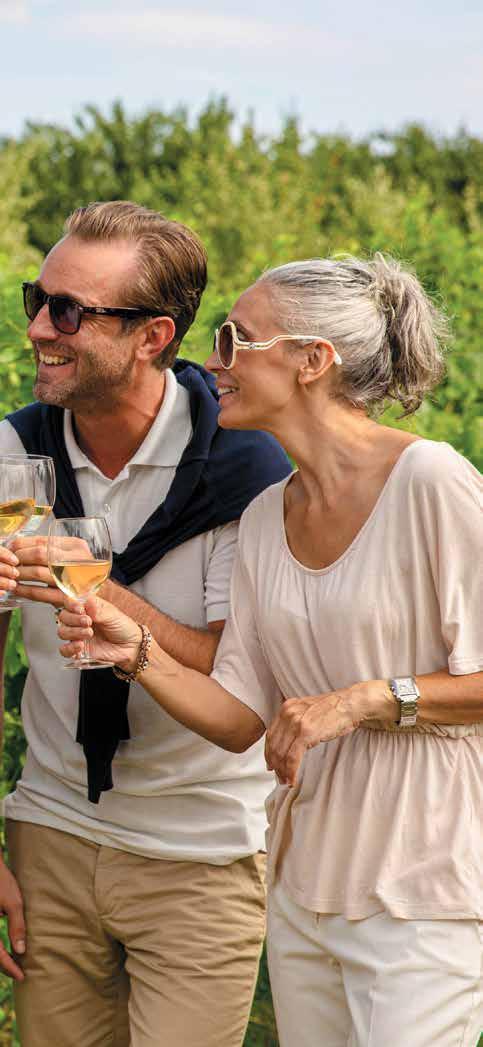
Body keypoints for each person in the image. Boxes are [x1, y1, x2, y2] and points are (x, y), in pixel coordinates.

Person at [57, 254, 482, 1047]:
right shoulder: (261, 517)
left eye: (233, 338)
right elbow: (238, 715)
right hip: (302, 883)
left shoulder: (429, 480)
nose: (211, 360)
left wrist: (363, 699)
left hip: (420, 885)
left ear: (311, 360)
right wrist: (136, 649)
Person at [0, 201, 291, 1047]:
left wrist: (90, 584)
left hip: (199, 851)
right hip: (51, 832)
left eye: (69, 312)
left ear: (152, 335)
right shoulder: (15, 456)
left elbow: (232, 672)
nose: (38, 330)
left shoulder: (244, 470)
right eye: (38, 299)